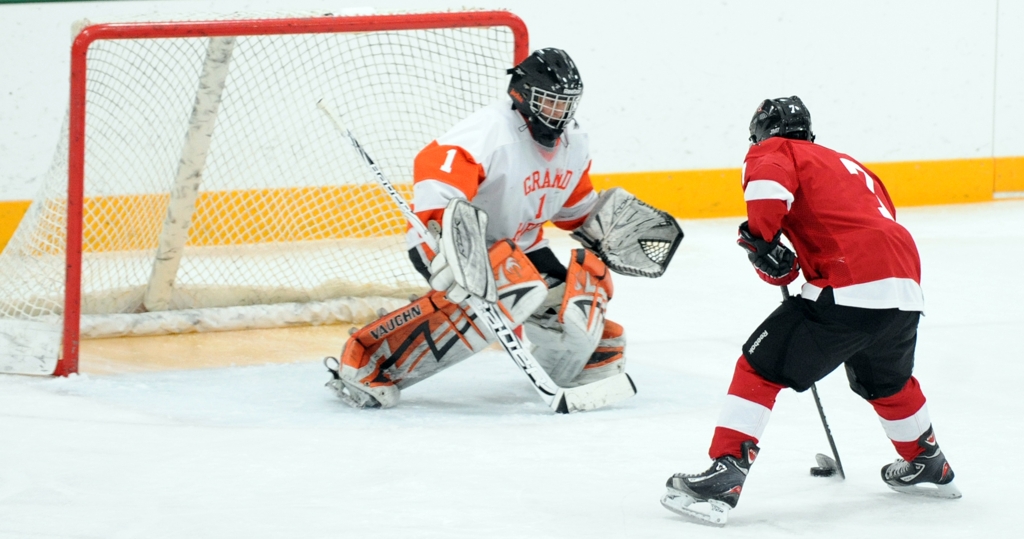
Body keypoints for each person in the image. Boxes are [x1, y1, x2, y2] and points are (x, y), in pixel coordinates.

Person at [660, 96, 961, 526]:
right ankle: (929, 461)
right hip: (904, 286)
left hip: (851, 283)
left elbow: (766, 190)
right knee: (887, 382)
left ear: (761, 133)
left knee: (758, 367)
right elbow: (871, 220)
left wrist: (762, 240)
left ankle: (726, 473)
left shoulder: (774, 151)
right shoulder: (848, 162)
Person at [326, 48, 680, 409]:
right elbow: (435, 170)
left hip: (521, 246)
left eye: (566, 104)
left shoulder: (573, 142)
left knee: (580, 293)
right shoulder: (490, 131)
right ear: (522, 95)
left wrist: (603, 222)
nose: (559, 114)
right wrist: (449, 247)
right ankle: (369, 358)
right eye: (549, 102)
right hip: (458, 244)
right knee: (511, 294)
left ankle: (580, 357)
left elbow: (570, 202)